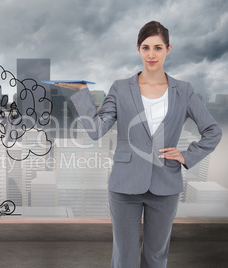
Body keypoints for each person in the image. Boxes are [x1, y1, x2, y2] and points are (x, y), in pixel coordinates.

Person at [56, 21, 222, 268]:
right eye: (146, 47)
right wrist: (82, 93)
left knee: (156, 256)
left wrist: (187, 155)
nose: (151, 54)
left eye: (158, 47)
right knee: (124, 258)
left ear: (169, 49)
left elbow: (213, 131)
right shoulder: (121, 88)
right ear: (138, 49)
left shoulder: (184, 90)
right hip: (124, 186)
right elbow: (96, 131)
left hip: (165, 185)